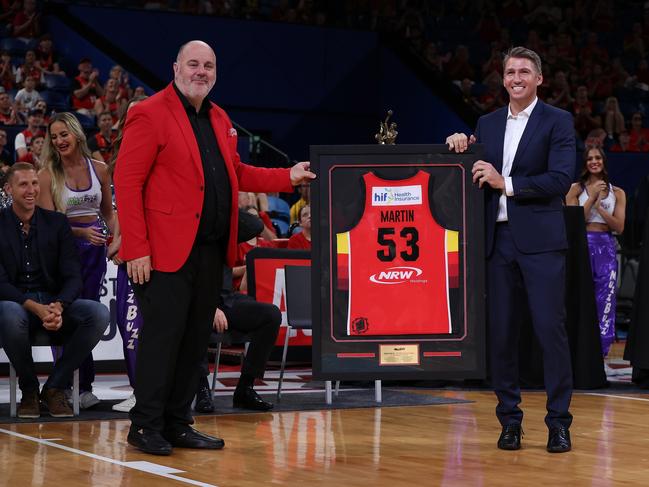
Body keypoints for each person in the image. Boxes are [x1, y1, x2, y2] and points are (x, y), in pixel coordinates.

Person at [113, 40, 315, 456]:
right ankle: (145, 426)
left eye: (208, 65)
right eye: (193, 63)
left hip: (209, 252)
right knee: (163, 341)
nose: (201, 71)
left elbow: (236, 172)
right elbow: (127, 183)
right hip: (163, 253)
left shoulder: (221, 118)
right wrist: (137, 248)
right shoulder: (148, 113)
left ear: (216, 73)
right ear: (175, 67)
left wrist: (287, 177)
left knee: (193, 344)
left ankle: (178, 423)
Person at [446, 46, 575, 453]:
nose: (516, 78)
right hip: (497, 243)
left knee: (550, 333)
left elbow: (560, 180)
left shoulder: (558, 121)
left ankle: (558, 423)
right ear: (502, 79)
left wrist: (509, 184)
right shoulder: (485, 124)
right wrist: (457, 144)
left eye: (524, 72)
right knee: (501, 337)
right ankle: (510, 421)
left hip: (541, 245)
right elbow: (473, 170)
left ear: (539, 79)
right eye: (509, 72)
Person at [0, 163, 109, 418]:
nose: (31, 190)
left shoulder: (56, 223)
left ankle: (54, 387)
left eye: (35, 183)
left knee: (98, 314)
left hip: (52, 302)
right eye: (23, 184)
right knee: (8, 312)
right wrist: (35, 307)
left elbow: (73, 276)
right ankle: (29, 390)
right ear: (8, 189)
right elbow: (1, 283)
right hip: (18, 305)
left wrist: (59, 305)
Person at [37, 112, 118, 409]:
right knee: (66, 318)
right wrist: (83, 231)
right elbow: (47, 225)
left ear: (77, 135)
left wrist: (115, 238)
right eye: (54, 136)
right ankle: (63, 387)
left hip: (94, 255)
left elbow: (109, 213)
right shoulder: (47, 174)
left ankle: (84, 386)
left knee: (90, 318)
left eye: (64, 134)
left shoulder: (100, 169)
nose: (59, 141)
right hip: (62, 254)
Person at [566, 147, 626, 364]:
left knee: (605, 299)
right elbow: (573, 221)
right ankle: (578, 351)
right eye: (590, 158)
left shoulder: (617, 192)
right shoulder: (574, 189)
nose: (594, 161)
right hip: (581, 245)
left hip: (606, 246)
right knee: (580, 297)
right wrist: (591, 198)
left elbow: (619, 226)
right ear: (585, 163)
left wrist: (600, 207)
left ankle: (601, 351)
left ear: (604, 161)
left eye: (598, 157)